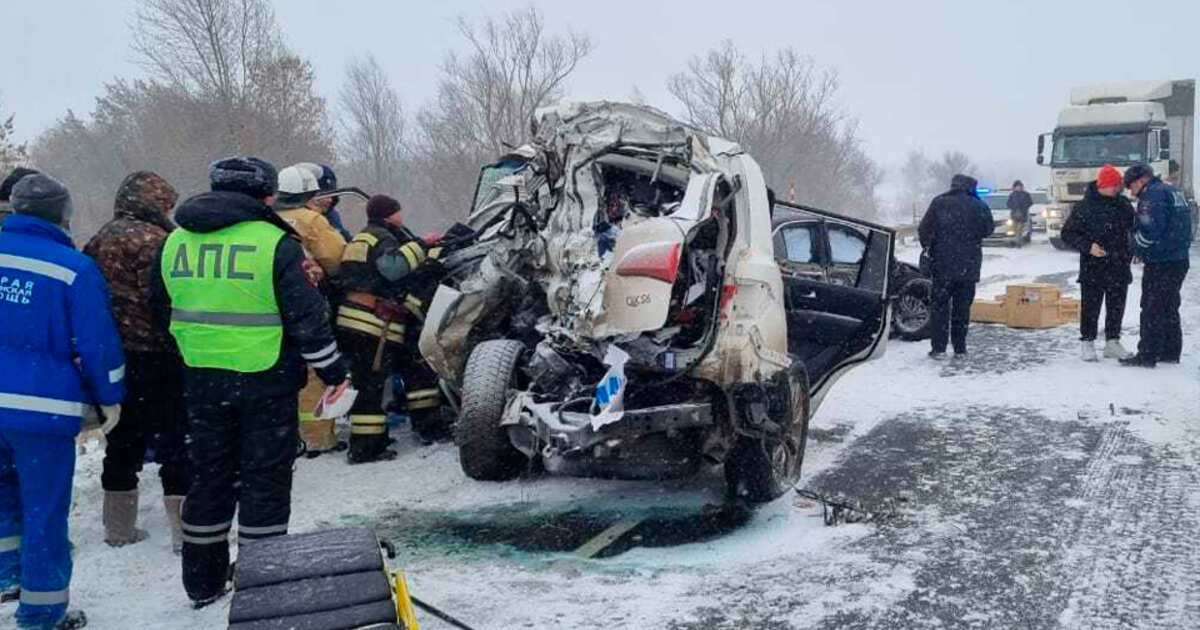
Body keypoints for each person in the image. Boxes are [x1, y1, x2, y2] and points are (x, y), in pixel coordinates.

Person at [149, 157, 350, 607]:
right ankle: (261, 581)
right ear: (265, 196)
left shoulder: (174, 242)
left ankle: (202, 582)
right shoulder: (275, 243)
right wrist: (334, 371)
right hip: (266, 379)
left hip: (202, 378)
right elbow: (308, 320)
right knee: (265, 480)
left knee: (210, 476)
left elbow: (158, 308)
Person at [0, 174, 125, 629]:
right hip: (40, 411)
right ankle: (42, 613)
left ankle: (6, 578)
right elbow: (97, 343)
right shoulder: (72, 268)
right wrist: (110, 396)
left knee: (2, 499)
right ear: (63, 213)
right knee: (44, 509)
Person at [82, 171, 191, 551]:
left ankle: (118, 528)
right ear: (153, 203)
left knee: (123, 440)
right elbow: (165, 299)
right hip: (159, 354)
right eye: (165, 204)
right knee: (176, 439)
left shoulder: (100, 238)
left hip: (114, 356)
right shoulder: (159, 241)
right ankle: (183, 529)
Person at [337, 195, 445, 463]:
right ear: (390, 214)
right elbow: (392, 269)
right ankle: (367, 448)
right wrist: (422, 246)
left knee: (370, 381)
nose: (402, 215)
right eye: (399, 211)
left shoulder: (362, 237)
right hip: (372, 323)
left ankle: (373, 440)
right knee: (371, 386)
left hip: (352, 320)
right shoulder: (382, 237)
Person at [1119, 164, 1194, 367]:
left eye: (1131, 186)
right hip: (1179, 258)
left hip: (1162, 261)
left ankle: (1148, 354)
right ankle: (1170, 351)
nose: (1130, 192)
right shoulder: (1172, 190)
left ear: (1141, 181)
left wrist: (1137, 248)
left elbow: (1150, 230)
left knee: (1151, 308)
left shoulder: (1152, 196)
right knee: (1169, 305)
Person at [1059, 165, 1135, 362]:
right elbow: (1067, 233)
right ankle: (1087, 342)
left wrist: (1133, 250)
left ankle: (1112, 342)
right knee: (1091, 306)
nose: (1117, 189)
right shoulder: (1084, 207)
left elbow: (1133, 230)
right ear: (1103, 185)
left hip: (1119, 264)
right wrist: (1087, 246)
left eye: (1118, 185)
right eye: (1114, 185)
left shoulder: (1124, 205)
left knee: (1117, 305)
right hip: (1093, 266)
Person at [918, 174, 994, 359]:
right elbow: (988, 229)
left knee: (939, 308)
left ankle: (938, 348)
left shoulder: (939, 202)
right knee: (962, 309)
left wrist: (930, 246)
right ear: (971, 187)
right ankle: (960, 348)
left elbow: (923, 229)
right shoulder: (978, 205)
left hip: (942, 266)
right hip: (968, 267)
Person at [273, 163, 347, 278]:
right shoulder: (312, 220)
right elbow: (334, 258)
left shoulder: (267, 215)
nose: (329, 200)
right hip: (303, 283)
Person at [312, 164, 352, 241]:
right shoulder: (302, 219)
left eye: (332, 196)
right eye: (325, 195)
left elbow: (344, 236)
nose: (329, 200)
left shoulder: (332, 216)